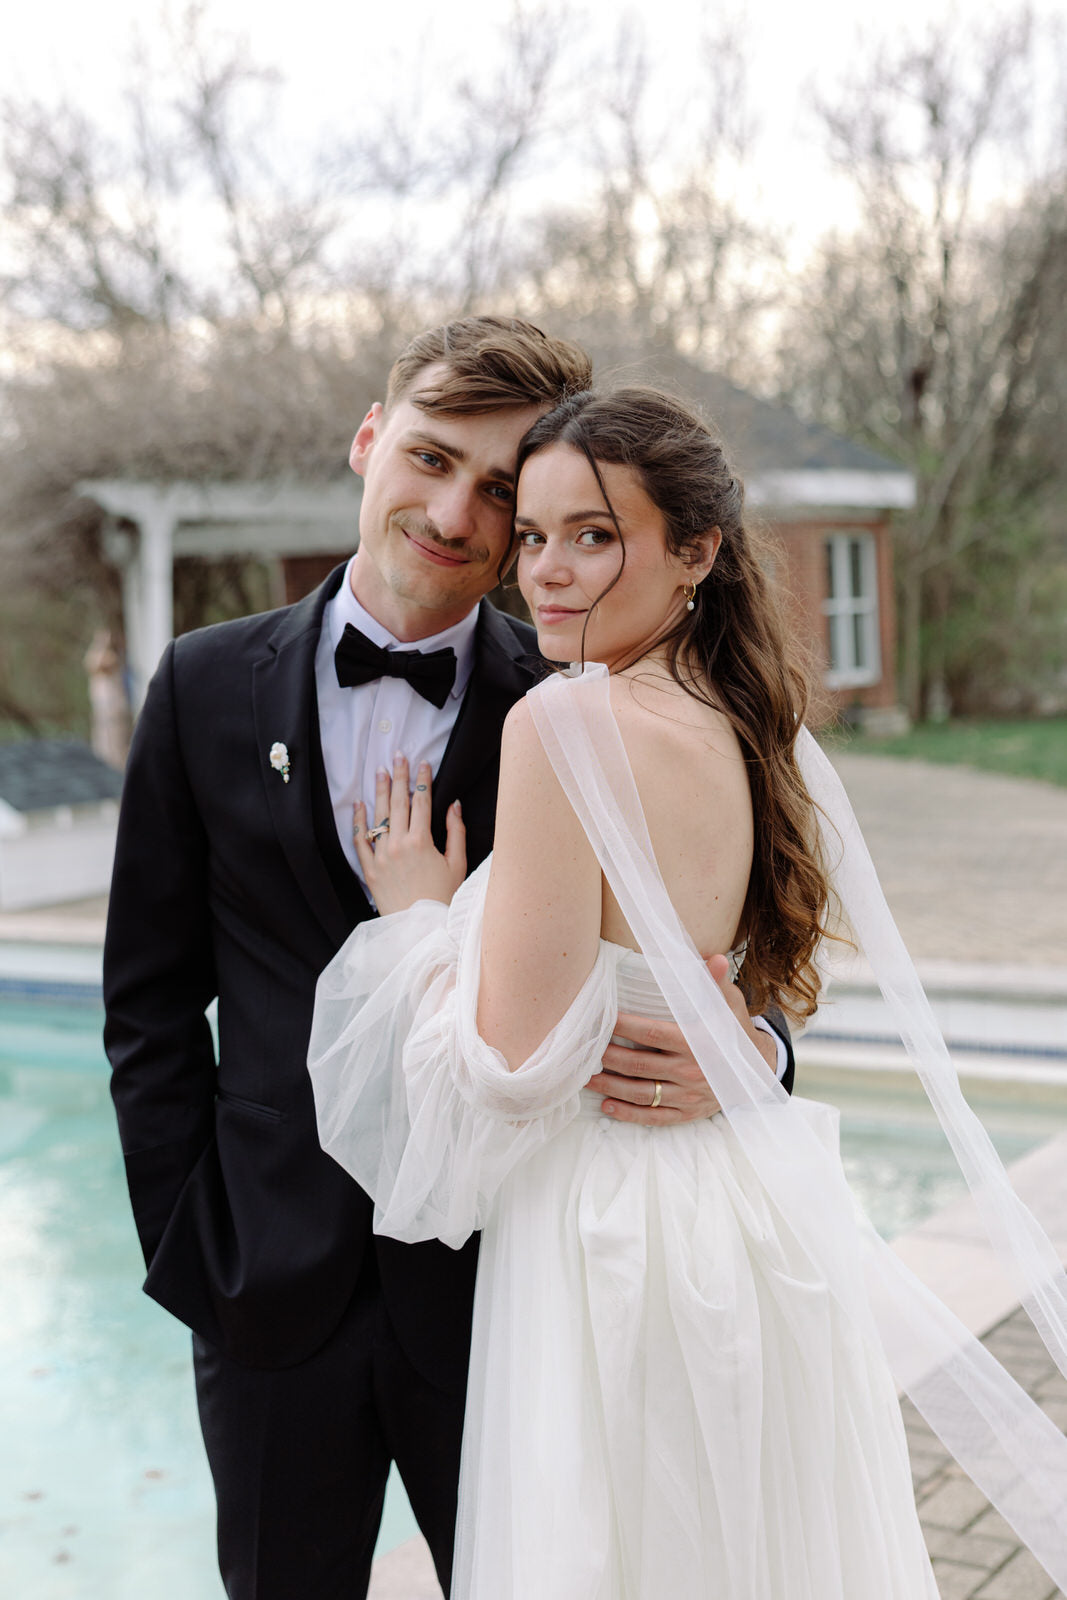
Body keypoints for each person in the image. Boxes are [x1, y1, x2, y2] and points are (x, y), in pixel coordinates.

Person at [309, 387, 1067, 1598]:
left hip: (614, 1229)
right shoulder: (744, 720)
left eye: (594, 536)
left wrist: (417, 916)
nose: (546, 572)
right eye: (539, 533)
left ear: (696, 550)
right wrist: (747, 1049)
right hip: (745, 1216)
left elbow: (510, 1066)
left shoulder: (564, 723)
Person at [103, 319, 793, 1600]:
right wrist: (193, 1249)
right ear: (368, 442)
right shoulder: (199, 684)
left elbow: (716, 933)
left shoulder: (576, 688)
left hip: (504, 1294)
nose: (452, 511)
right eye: (427, 456)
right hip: (266, 1287)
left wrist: (755, 1051)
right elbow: (146, 1003)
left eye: (497, 491)